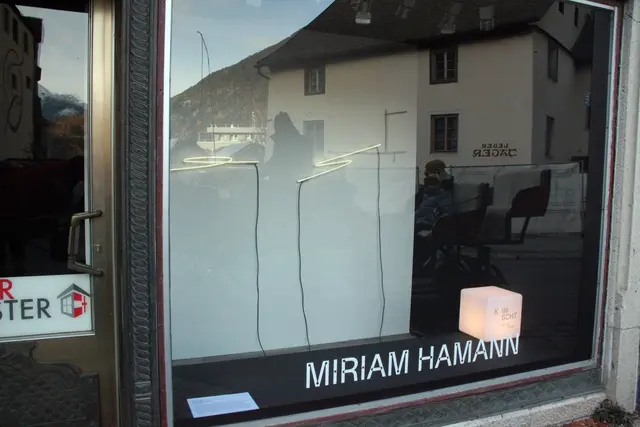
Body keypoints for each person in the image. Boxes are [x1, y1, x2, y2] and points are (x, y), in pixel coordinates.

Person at [415, 159, 455, 233]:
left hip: (429, 224)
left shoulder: (444, 190)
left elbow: (448, 212)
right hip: (420, 221)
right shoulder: (424, 191)